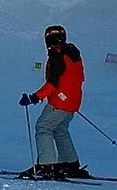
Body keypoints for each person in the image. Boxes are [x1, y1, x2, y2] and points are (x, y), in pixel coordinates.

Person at [19, 24, 87, 179]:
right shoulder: (72, 53)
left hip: (60, 101)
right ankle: (69, 163)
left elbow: (53, 84)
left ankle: (47, 165)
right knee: (59, 129)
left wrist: (34, 97)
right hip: (73, 101)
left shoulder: (57, 56)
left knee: (43, 127)